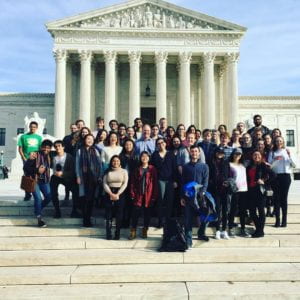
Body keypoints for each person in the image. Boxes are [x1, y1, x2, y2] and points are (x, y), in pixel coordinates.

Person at [181, 145, 209, 247]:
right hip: (189, 196)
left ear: (199, 153)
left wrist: (202, 193)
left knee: (205, 216)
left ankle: (201, 233)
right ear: (190, 153)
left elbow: (205, 181)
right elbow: (183, 182)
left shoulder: (204, 166)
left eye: (196, 151)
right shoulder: (186, 166)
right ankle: (188, 240)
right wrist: (182, 197)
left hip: (201, 196)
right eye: (192, 151)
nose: (194, 153)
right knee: (188, 218)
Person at [23, 139, 53, 227]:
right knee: (38, 198)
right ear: (41, 147)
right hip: (33, 180)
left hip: (44, 180)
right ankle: (39, 219)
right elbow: (26, 169)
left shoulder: (50, 155)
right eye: (44, 147)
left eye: (48, 148)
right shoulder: (35, 155)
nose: (46, 150)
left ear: (50, 149)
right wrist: (37, 170)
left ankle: (37, 209)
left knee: (49, 196)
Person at [129, 151, 158, 240]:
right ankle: (133, 231)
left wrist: (154, 195)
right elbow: (132, 183)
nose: (144, 158)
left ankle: (145, 229)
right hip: (138, 194)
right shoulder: (137, 169)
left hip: (149, 195)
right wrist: (132, 194)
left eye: (146, 156)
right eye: (142, 156)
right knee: (135, 213)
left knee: (147, 214)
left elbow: (155, 183)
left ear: (149, 158)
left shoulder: (152, 169)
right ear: (140, 158)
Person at [268, 136, 296, 227]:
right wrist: (275, 160)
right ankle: (277, 220)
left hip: (286, 176)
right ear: (275, 142)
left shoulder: (287, 151)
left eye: (280, 141)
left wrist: (290, 155)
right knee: (276, 199)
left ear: (283, 142)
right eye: (277, 141)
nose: (279, 142)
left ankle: (284, 221)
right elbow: (270, 166)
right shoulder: (272, 152)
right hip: (276, 176)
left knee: (284, 199)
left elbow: (294, 165)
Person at [76, 134, 102, 227]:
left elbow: (99, 165)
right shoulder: (80, 151)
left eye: (91, 139)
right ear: (84, 140)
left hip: (93, 178)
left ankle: (88, 218)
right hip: (83, 177)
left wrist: (99, 176)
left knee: (90, 199)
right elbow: (77, 164)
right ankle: (85, 219)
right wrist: (78, 176)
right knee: (84, 199)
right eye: (88, 139)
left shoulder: (96, 150)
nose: (89, 140)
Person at [247, 151, 275, 237]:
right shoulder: (249, 167)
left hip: (260, 191)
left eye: (258, 155)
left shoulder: (263, 165)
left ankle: (260, 231)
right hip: (250, 191)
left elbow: (273, 175)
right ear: (252, 156)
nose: (256, 156)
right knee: (252, 212)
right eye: (254, 155)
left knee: (261, 211)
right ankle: (259, 229)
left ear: (261, 156)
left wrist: (264, 181)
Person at [50, 140, 80, 218]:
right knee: (53, 193)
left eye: (59, 146)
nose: (57, 148)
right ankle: (57, 211)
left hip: (66, 177)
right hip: (55, 177)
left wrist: (63, 174)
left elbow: (73, 171)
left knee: (75, 191)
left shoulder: (69, 157)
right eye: (56, 147)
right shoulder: (53, 156)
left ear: (63, 147)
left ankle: (74, 211)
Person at [151, 138, 177, 227]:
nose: (160, 144)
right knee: (160, 200)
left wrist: (175, 180)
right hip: (159, 180)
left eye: (162, 142)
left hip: (170, 180)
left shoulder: (171, 154)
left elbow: (175, 168)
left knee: (170, 200)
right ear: (156, 145)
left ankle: (168, 220)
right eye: (158, 143)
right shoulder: (154, 155)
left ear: (165, 144)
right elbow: (152, 169)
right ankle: (160, 220)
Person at [208, 146, 232, 240]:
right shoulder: (211, 162)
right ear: (215, 153)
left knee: (225, 210)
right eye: (218, 152)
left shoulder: (226, 162)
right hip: (215, 189)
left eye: (221, 153)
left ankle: (224, 230)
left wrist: (228, 182)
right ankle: (217, 230)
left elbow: (229, 174)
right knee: (217, 210)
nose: (220, 154)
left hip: (225, 189)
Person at [103, 155, 128, 240]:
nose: (115, 162)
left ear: (120, 161)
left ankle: (117, 233)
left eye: (117, 160)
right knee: (108, 214)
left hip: (120, 193)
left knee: (119, 214)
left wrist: (118, 194)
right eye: (114, 161)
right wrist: (110, 193)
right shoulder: (107, 171)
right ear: (111, 162)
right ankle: (108, 234)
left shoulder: (124, 171)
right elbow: (105, 183)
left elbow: (125, 183)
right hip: (109, 192)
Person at [18, 121, 43, 201]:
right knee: (27, 176)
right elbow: (20, 149)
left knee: (35, 175)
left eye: (34, 127)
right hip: (27, 160)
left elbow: (40, 149)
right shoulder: (23, 137)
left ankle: (36, 192)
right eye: (31, 127)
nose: (33, 128)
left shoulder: (39, 138)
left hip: (36, 160)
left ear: (36, 128)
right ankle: (27, 194)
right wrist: (24, 158)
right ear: (29, 127)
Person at [229, 148, 250, 237]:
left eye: (239, 154)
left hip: (244, 189)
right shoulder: (229, 164)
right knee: (233, 209)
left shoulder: (243, 165)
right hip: (234, 190)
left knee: (242, 210)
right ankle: (230, 228)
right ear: (233, 154)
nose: (238, 155)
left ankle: (243, 229)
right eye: (236, 154)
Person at [119, 139, 139, 228]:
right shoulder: (121, 156)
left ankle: (131, 221)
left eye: (130, 144)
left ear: (133, 146)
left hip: (133, 181)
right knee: (123, 202)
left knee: (132, 202)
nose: (128, 146)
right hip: (123, 182)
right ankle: (124, 221)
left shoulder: (137, 156)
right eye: (126, 144)